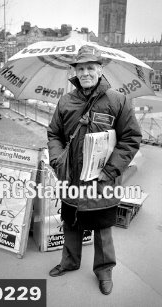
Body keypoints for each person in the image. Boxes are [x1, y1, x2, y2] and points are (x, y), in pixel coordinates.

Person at [47, 45, 142, 295]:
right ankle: (69, 262)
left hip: (102, 180)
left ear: (100, 69)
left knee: (102, 228)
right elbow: (54, 134)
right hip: (71, 177)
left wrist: (110, 170)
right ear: (75, 71)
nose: (86, 72)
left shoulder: (118, 100)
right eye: (81, 68)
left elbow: (130, 138)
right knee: (70, 221)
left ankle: (104, 271)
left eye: (91, 67)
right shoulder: (65, 101)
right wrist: (58, 160)